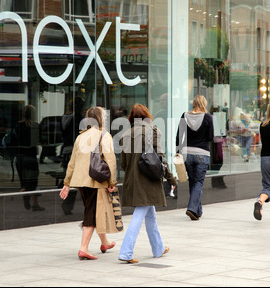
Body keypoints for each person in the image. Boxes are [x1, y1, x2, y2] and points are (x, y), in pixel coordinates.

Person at [118, 104, 177, 263]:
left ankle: (158, 248)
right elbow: (161, 158)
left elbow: (123, 164)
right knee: (139, 215)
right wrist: (171, 178)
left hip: (132, 180)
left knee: (151, 215)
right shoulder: (153, 131)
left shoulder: (125, 134)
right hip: (147, 181)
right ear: (147, 116)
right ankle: (126, 252)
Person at [60, 107, 117, 261]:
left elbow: (72, 162)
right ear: (101, 119)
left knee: (93, 208)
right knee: (91, 212)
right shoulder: (104, 135)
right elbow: (110, 160)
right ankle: (83, 248)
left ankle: (104, 242)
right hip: (95, 180)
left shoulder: (81, 137)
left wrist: (67, 183)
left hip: (80, 180)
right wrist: (112, 182)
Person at [176, 95, 214, 220]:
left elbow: (179, 136)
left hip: (187, 154)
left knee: (193, 182)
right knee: (198, 182)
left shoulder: (184, 115)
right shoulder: (207, 117)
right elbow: (210, 137)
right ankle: (191, 208)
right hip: (202, 154)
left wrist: (178, 152)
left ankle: (197, 211)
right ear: (204, 103)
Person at [13, 105, 44, 212]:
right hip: (30, 157)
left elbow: (14, 140)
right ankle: (27, 193)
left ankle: (30, 200)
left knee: (24, 180)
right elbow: (37, 141)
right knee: (32, 181)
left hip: (20, 157)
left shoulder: (18, 125)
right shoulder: (35, 125)